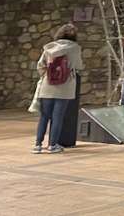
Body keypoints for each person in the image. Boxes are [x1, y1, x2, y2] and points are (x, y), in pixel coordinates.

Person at [34, 23, 83, 154]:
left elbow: (40, 66)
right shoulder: (75, 48)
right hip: (65, 86)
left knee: (44, 116)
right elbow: (79, 65)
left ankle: (38, 145)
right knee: (58, 117)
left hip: (47, 85)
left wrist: (47, 76)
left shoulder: (49, 47)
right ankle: (53, 145)